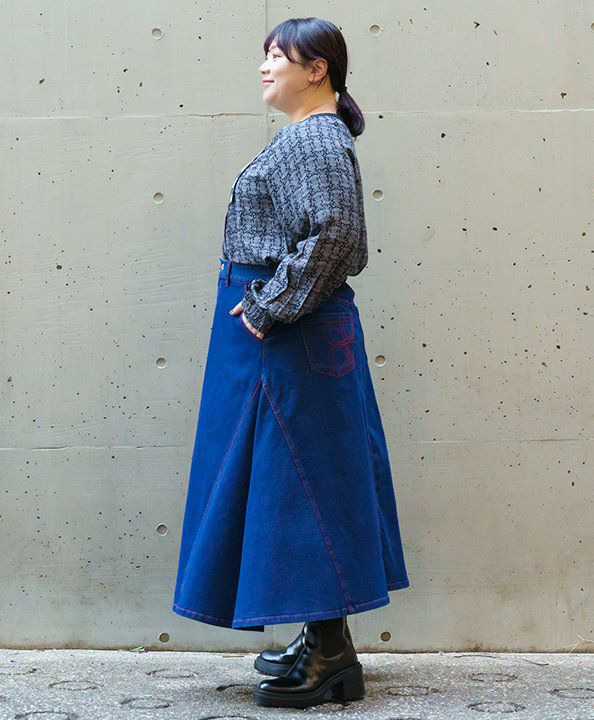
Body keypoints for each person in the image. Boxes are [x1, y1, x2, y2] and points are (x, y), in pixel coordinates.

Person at [171, 16, 410, 709]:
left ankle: (330, 657)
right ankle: (322, 641)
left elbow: (337, 235)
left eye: (277, 55)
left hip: (290, 336)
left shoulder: (314, 138)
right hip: (289, 336)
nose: (264, 66)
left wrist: (267, 307)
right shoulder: (309, 136)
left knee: (303, 486)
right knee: (298, 481)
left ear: (317, 68)